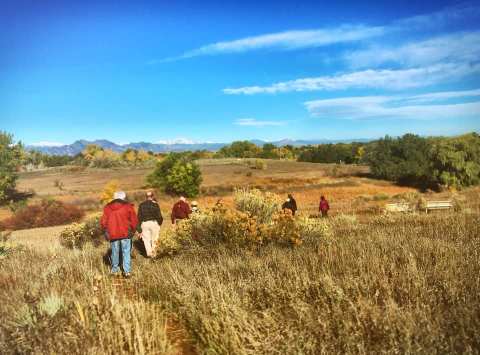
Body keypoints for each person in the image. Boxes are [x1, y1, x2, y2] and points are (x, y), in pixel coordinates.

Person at [101, 191, 138, 278]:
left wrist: (106, 231)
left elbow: (103, 222)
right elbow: (134, 220)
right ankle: (127, 272)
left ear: (114, 197)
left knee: (115, 252)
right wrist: (134, 230)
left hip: (113, 234)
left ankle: (114, 271)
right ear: (123, 197)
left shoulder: (107, 207)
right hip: (126, 233)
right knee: (126, 252)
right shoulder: (128, 206)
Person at [137, 191, 163, 258]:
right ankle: (154, 254)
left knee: (146, 240)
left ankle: (149, 253)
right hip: (154, 223)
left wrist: (139, 228)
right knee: (155, 239)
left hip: (144, 223)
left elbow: (139, 217)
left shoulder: (141, 205)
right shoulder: (155, 204)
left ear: (146, 197)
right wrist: (159, 224)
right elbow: (159, 216)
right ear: (152, 196)